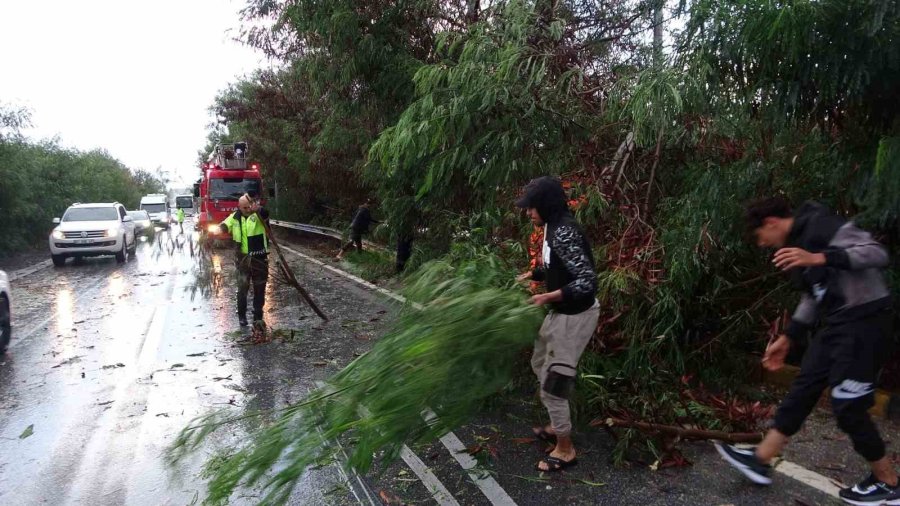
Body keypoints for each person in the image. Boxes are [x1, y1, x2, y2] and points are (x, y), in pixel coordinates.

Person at [716, 197, 896, 505]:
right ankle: (760, 459)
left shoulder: (820, 226)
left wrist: (819, 258)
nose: (763, 245)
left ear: (771, 224)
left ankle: (888, 482)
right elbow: (814, 297)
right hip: (836, 324)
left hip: (866, 320)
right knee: (803, 388)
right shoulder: (796, 246)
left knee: (848, 406)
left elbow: (877, 253)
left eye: (761, 238)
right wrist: (789, 337)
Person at [515, 176, 600, 473]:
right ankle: (556, 422)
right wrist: (534, 275)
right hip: (559, 310)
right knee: (539, 360)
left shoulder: (565, 231)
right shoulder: (551, 226)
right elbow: (556, 264)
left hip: (576, 316)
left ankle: (565, 449)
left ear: (547, 205)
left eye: (532, 207)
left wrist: (548, 296)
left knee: (554, 383)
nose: (528, 213)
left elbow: (587, 282)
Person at [218, 193, 270, 328]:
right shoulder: (234, 217)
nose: (247, 210)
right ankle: (242, 316)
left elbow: (266, 213)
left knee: (260, 288)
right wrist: (218, 229)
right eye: (244, 208)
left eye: (249, 207)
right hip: (242, 260)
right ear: (239, 207)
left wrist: (257, 208)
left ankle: (258, 316)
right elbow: (225, 225)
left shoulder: (258, 215)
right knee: (242, 289)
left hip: (259, 258)